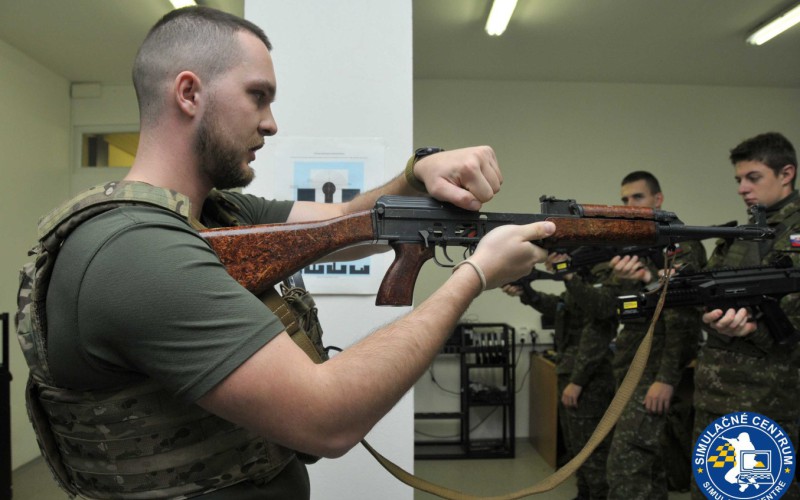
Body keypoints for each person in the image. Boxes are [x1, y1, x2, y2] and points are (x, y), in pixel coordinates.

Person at [15, 7, 555, 499]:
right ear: (188, 93)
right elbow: (327, 418)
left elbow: (348, 223)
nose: (272, 122)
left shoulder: (217, 213)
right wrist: (474, 273)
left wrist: (415, 174)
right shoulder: (134, 252)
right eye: (258, 95)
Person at [691, 132, 800, 500]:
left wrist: (750, 326)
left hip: (765, 400)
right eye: (738, 179)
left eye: (752, 178)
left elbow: (791, 326)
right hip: (715, 397)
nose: (741, 188)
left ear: (786, 173)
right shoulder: (743, 235)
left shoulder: (794, 235)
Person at [605, 171, 707, 499]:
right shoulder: (634, 245)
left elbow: (683, 315)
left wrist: (666, 378)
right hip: (632, 364)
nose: (629, 204)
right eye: (624, 199)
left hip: (656, 369)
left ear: (658, 200)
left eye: (637, 197)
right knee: (651, 464)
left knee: (625, 466)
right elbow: (623, 311)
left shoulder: (681, 244)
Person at [502, 253, 618, 500]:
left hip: (589, 378)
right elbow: (560, 308)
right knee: (576, 446)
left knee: (592, 449)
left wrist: (577, 381)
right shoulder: (579, 284)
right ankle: (585, 494)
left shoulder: (600, 277)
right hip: (572, 371)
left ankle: (597, 495)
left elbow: (596, 333)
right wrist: (527, 293)